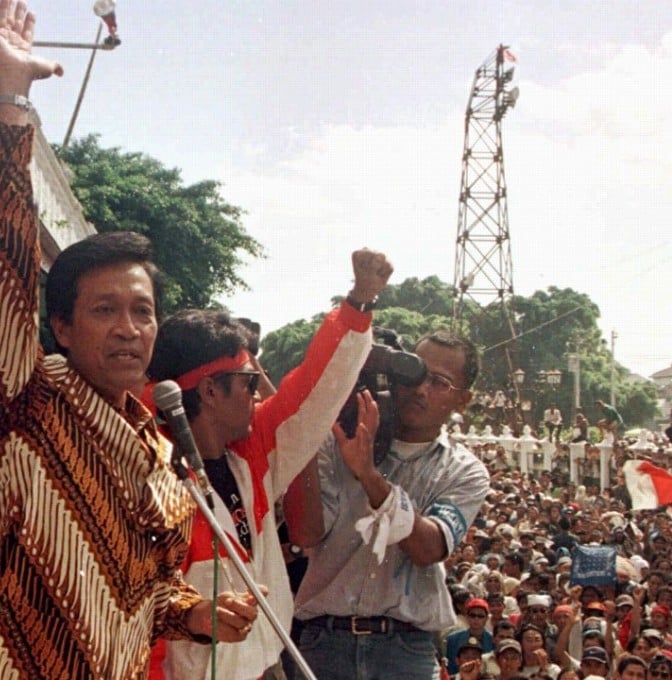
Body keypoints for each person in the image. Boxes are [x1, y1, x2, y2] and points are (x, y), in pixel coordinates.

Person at [0, 4, 261, 678]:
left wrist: (192, 612)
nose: (128, 328)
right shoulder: (24, 404)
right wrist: (7, 111)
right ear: (61, 326)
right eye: (104, 310)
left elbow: (143, 588)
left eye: (142, 311)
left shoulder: (160, 447)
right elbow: (7, 278)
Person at [145, 250, 391, 678]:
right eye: (249, 382)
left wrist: (360, 302)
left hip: (268, 665)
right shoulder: (147, 477)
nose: (259, 395)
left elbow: (314, 390)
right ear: (208, 391)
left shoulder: (251, 450)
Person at [285, 329, 490, 679]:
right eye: (417, 373)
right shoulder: (338, 441)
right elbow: (305, 533)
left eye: (440, 382)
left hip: (405, 652)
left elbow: (428, 547)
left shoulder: (465, 470)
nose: (421, 389)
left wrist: (368, 475)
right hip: (324, 642)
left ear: (463, 400)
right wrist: (310, 430)